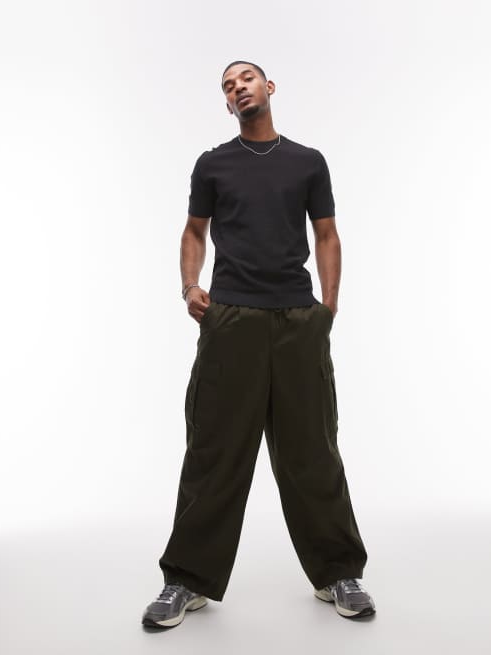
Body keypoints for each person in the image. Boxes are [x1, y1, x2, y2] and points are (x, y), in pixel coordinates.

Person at [142, 60, 376, 629]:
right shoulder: (213, 164)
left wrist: (328, 306)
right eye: (228, 85)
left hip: (298, 319)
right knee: (213, 451)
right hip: (231, 320)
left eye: (246, 78)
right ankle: (186, 581)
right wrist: (190, 286)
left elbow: (326, 233)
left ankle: (338, 573)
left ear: (269, 87)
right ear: (227, 104)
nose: (237, 87)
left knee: (313, 451)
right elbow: (194, 231)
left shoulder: (308, 161)